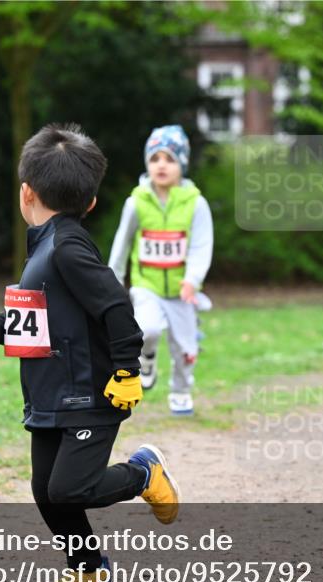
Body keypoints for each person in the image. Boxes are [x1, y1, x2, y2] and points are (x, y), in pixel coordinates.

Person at [0, 123, 180, 582]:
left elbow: (117, 308)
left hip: (93, 392)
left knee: (70, 489)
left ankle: (144, 471)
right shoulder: (45, 246)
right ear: (92, 202)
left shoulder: (68, 245)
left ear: (26, 192)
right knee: (46, 489)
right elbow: (44, 315)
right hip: (50, 393)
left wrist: (127, 371)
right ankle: (88, 566)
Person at [108, 125, 214, 415]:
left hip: (182, 291)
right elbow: (121, 245)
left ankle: (181, 391)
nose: (162, 165)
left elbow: (202, 246)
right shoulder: (136, 203)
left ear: (182, 164)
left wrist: (192, 279)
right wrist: (112, 282)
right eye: (155, 159)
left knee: (185, 347)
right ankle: (147, 358)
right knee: (147, 329)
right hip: (147, 286)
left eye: (169, 158)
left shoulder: (196, 204)